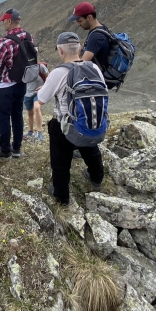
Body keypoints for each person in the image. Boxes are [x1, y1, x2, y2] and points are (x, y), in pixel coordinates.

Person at [35, 32, 105, 206]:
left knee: (60, 159)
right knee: (90, 147)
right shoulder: (94, 68)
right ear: (80, 48)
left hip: (65, 125)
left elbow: (42, 99)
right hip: (90, 119)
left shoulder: (58, 73)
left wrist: (44, 88)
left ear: (60, 51)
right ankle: (96, 178)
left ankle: (61, 195)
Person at [0, 8, 34, 159]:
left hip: (5, 85)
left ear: (9, 21)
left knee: (3, 116)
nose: (2, 24)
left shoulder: (4, 42)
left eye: (3, 21)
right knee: (17, 115)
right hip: (22, 82)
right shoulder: (28, 36)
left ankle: (5, 150)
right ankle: (17, 148)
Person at [69, 1, 111, 71]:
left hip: (98, 80)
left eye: (80, 21)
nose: (78, 24)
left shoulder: (96, 37)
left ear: (89, 17)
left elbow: (82, 65)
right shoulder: (102, 28)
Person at [23, 62, 49, 141]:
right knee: (30, 113)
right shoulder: (23, 66)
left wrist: (44, 86)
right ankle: (30, 131)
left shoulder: (40, 66)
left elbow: (48, 77)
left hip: (38, 92)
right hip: (27, 93)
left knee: (37, 108)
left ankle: (39, 132)